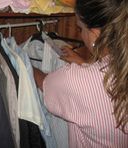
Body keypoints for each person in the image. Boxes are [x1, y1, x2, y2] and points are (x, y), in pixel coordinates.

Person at [33, 0, 128, 147]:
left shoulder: (74, 79)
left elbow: (45, 83)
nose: (81, 35)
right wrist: (83, 63)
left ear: (95, 34)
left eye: (80, 28)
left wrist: (20, 61)